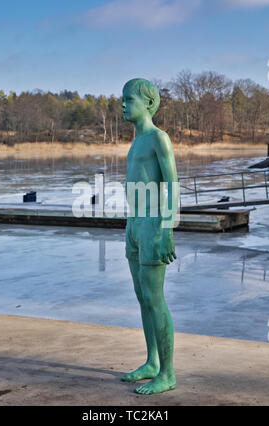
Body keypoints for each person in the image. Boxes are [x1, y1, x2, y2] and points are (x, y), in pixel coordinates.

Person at [121, 78, 178, 395]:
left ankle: (168, 373)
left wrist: (168, 229)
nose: (123, 105)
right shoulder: (135, 142)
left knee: (156, 300)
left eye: (129, 99)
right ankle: (152, 362)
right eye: (122, 99)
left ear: (149, 103)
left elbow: (173, 184)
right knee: (142, 298)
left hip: (155, 225)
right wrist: (130, 225)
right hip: (134, 226)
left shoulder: (159, 138)